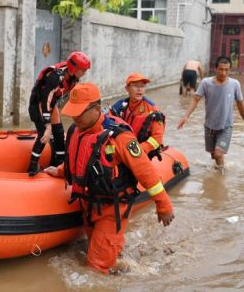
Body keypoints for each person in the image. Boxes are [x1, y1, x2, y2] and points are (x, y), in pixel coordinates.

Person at [44, 83, 174, 274]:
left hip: (112, 209)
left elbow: (146, 172)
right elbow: (79, 161)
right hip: (87, 205)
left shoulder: (120, 137)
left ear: (97, 109)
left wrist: (164, 206)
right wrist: (61, 170)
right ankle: (127, 265)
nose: (74, 117)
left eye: (80, 112)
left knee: (96, 267)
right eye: (73, 112)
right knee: (100, 255)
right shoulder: (76, 131)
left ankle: (138, 272)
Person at [177, 56, 244, 170]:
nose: (223, 72)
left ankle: (220, 180)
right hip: (209, 127)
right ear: (215, 69)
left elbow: (240, 105)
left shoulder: (235, 84)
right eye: (221, 69)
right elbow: (196, 99)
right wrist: (186, 116)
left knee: (218, 154)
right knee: (214, 156)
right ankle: (217, 173)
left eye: (226, 70)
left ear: (230, 70)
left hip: (226, 127)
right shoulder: (206, 83)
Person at [27, 51, 91, 176]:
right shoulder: (55, 77)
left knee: (60, 133)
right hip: (39, 104)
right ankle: (32, 166)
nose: (84, 73)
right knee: (43, 135)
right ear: (74, 68)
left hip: (51, 105)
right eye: (83, 70)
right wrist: (47, 125)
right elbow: (45, 99)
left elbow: (72, 96)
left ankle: (60, 163)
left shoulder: (72, 77)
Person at [108, 73, 166, 161]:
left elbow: (157, 138)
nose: (139, 89)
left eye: (142, 86)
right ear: (127, 89)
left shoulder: (152, 109)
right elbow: (107, 122)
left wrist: (138, 150)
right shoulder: (119, 106)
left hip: (142, 152)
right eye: (135, 86)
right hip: (123, 147)